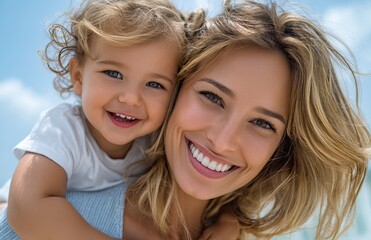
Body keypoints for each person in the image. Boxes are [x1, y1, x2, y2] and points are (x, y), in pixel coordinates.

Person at [1, 0, 370, 239]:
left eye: (263, 124)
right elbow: (23, 207)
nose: (223, 141)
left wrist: (230, 222)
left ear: (282, 149)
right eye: (212, 97)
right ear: (180, 87)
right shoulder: (60, 212)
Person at [5, 0, 239, 239]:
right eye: (113, 73)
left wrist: (228, 220)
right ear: (78, 76)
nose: (131, 98)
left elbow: (212, 180)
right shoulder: (62, 130)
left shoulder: (157, 138)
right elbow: (26, 209)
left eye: (154, 84)